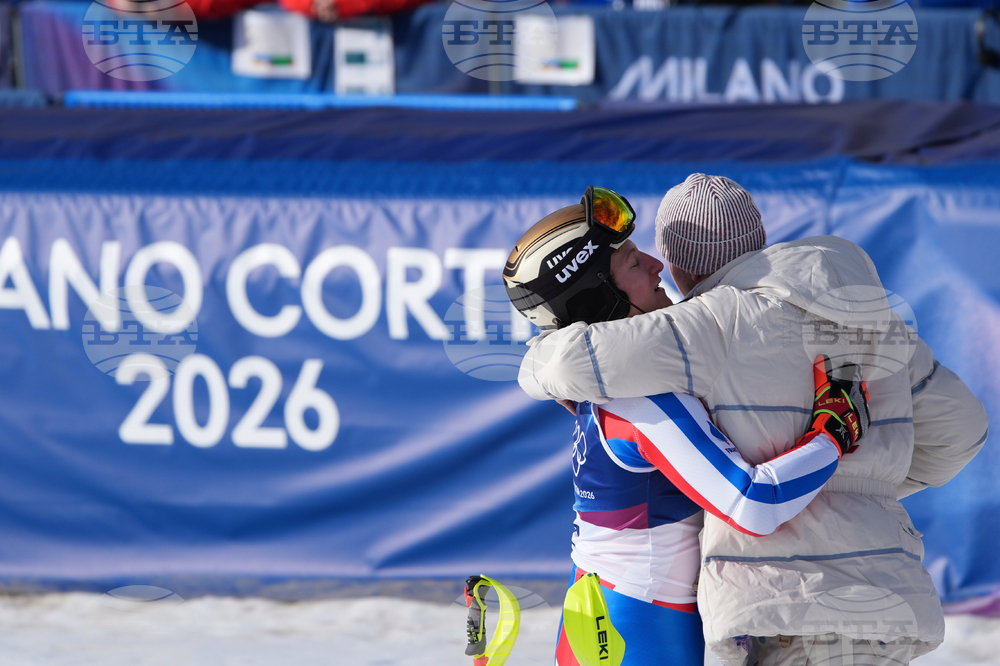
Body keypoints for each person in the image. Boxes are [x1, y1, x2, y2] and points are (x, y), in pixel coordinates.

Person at [516, 174, 989, 665]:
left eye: (654, 254)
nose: (655, 265)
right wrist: (861, 488)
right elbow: (963, 433)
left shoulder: (702, 327)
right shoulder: (872, 316)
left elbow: (570, 362)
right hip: (890, 597)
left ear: (681, 261)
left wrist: (538, 365)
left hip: (781, 606)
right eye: (638, 260)